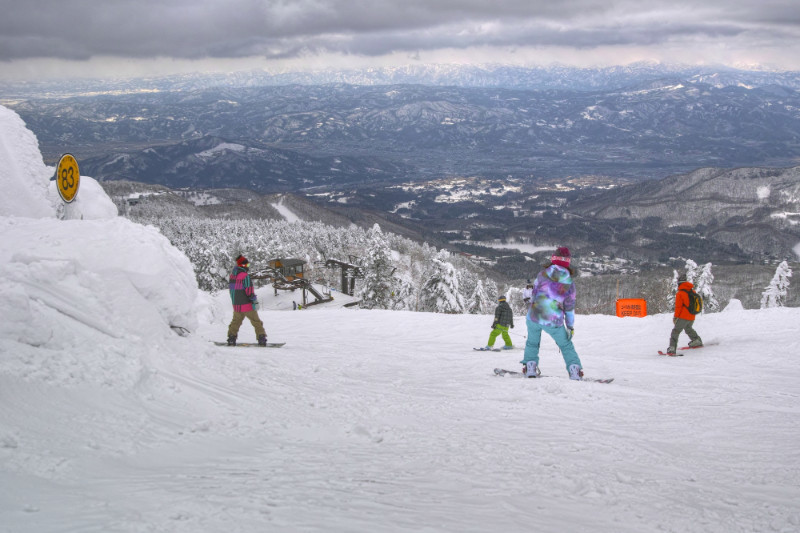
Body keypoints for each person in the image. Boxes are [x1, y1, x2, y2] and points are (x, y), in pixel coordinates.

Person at [520, 247, 583, 380]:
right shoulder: (569, 283)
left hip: (534, 315)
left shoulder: (542, 274)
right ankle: (574, 370)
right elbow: (569, 307)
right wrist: (570, 326)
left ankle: (530, 367)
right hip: (552, 319)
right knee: (565, 345)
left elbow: (535, 294)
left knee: (532, 342)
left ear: (553, 259)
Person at [227, 254, 267, 346]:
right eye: (248, 265)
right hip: (247, 305)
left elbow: (231, 291)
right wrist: (254, 300)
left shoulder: (232, 276)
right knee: (256, 322)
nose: (248, 267)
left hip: (237, 305)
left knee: (235, 322)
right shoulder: (245, 276)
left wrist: (234, 302)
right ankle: (261, 338)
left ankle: (231, 338)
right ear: (243, 265)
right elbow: (249, 290)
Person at [665, 273, 703, 355]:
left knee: (675, 331)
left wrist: (675, 317)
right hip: (692, 315)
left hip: (683, 316)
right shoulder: (692, 291)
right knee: (688, 328)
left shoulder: (680, 293)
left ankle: (672, 348)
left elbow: (678, 307)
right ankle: (697, 341)